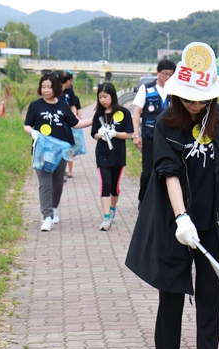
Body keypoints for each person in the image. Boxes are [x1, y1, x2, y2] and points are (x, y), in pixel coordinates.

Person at [125, 42, 219, 349]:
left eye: (201, 99)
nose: (195, 104)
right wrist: (181, 217)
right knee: (172, 289)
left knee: (211, 297)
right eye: (189, 98)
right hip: (176, 222)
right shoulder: (166, 122)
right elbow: (169, 171)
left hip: (213, 221)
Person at [24, 73, 92, 232]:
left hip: (60, 152)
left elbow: (75, 123)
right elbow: (27, 125)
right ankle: (47, 217)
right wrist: (32, 132)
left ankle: (54, 207)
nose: (46, 90)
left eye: (49, 87)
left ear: (55, 88)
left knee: (58, 183)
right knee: (45, 183)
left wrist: (94, 120)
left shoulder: (63, 106)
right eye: (43, 87)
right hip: (41, 151)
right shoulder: (35, 105)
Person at [132, 59, 176, 207]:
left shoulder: (175, 91)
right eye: (165, 74)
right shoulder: (146, 89)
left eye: (171, 74)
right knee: (148, 171)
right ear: (158, 73)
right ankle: (143, 201)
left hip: (170, 138)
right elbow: (137, 112)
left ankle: (164, 202)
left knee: (168, 170)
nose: (167, 77)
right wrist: (136, 135)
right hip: (150, 137)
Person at [90, 82, 134, 231]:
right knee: (106, 184)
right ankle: (106, 217)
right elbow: (94, 134)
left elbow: (129, 134)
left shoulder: (124, 113)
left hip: (118, 153)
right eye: (100, 97)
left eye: (105, 96)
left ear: (112, 96)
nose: (102, 100)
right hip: (102, 153)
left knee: (114, 187)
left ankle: (112, 208)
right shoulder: (98, 114)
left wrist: (115, 134)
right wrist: (100, 134)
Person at [58, 70, 79, 179]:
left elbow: (73, 105)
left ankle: (70, 170)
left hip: (67, 124)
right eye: (69, 81)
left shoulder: (70, 91)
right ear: (66, 81)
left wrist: (74, 115)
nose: (70, 83)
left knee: (69, 147)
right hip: (57, 123)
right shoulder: (55, 91)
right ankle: (59, 170)